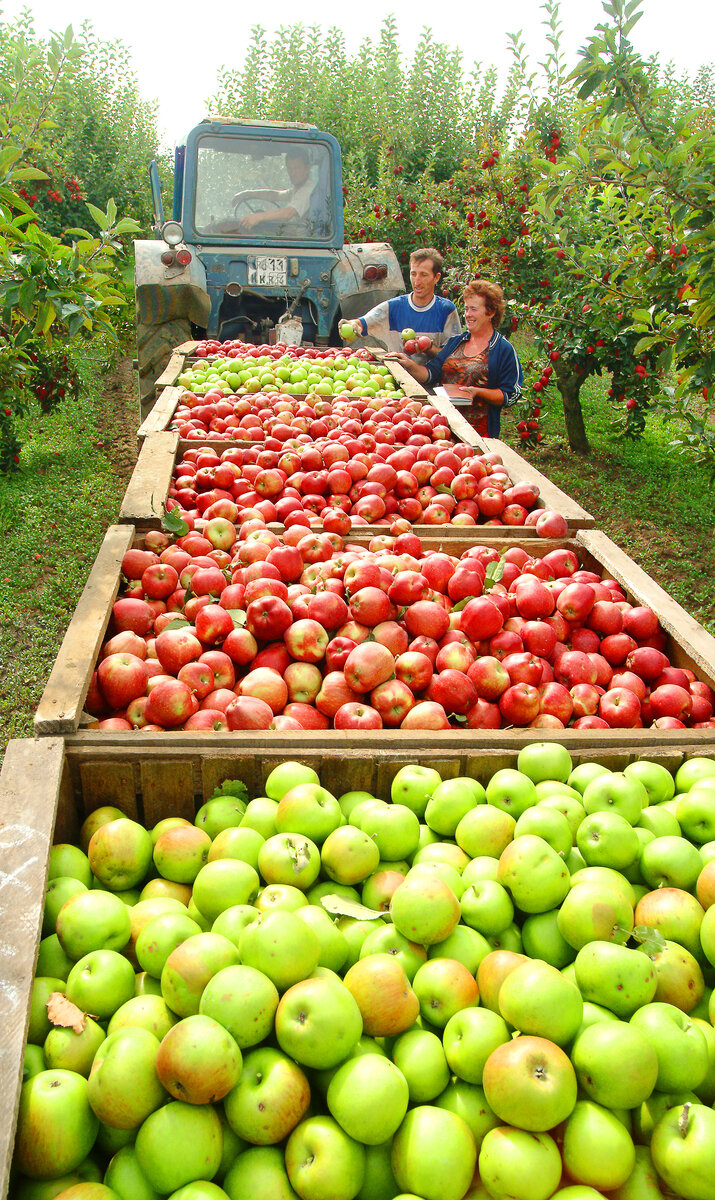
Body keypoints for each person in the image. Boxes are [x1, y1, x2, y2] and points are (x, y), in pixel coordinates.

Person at [394, 279, 522, 437]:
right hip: (444, 429)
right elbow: (431, 373)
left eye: (474, 309)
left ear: (491, 312)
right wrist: (407, 364)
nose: (468, 314)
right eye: (466, 309)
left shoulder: (502, 349)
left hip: (479, 435)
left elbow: (511, 394)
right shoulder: (457, 342)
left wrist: (478, 392)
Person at [344, 248, 461, 355]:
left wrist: (429, 348)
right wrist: (351, 325)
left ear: (436, 277)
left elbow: (454, 355)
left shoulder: (446, 310)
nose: (417, 281)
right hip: (398, 375)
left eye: (424, 275)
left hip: (432, 377)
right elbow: (361, 323)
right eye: (413, 274)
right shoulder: (393, 307)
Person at [211, 148, 316, 235]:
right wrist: (247, 193)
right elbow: (276, 195)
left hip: (299, 241)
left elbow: (288, 213)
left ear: (307, 168)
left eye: (297, 168)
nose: (292, 173)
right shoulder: (298, 189)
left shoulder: (308, 190)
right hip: (289, 235)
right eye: (289, 168)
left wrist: (258, 217)